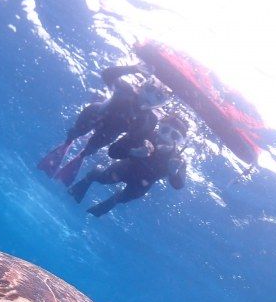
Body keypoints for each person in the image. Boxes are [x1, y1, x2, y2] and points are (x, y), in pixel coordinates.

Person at [38, 66, 170, 186]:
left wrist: (139, 149)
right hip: (94, 115)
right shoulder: (126, 89)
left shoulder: (149, 119)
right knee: (74, 134)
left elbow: (135, 138)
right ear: (142, 85)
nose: (151, 97)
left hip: (110, 132)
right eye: (150, 89)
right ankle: (66, 145)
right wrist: (133, 68)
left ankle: (78, 158)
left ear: (162, 104)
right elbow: (107, 74)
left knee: (89, 151)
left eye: (158, 97)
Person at [67, 114, 189, 216]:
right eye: (165, 130)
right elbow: (113, 151)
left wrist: (174, 173)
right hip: (126, 168)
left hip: (142, 183)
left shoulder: (178, 160)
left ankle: (113, 200)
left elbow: (178, 185)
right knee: (102, 179)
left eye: (175, 136)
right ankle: (92, 175)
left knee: (125, 197)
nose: (167, 137)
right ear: (159, 127)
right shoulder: (143, 135)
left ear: (181, 142)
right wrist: (133, 152)